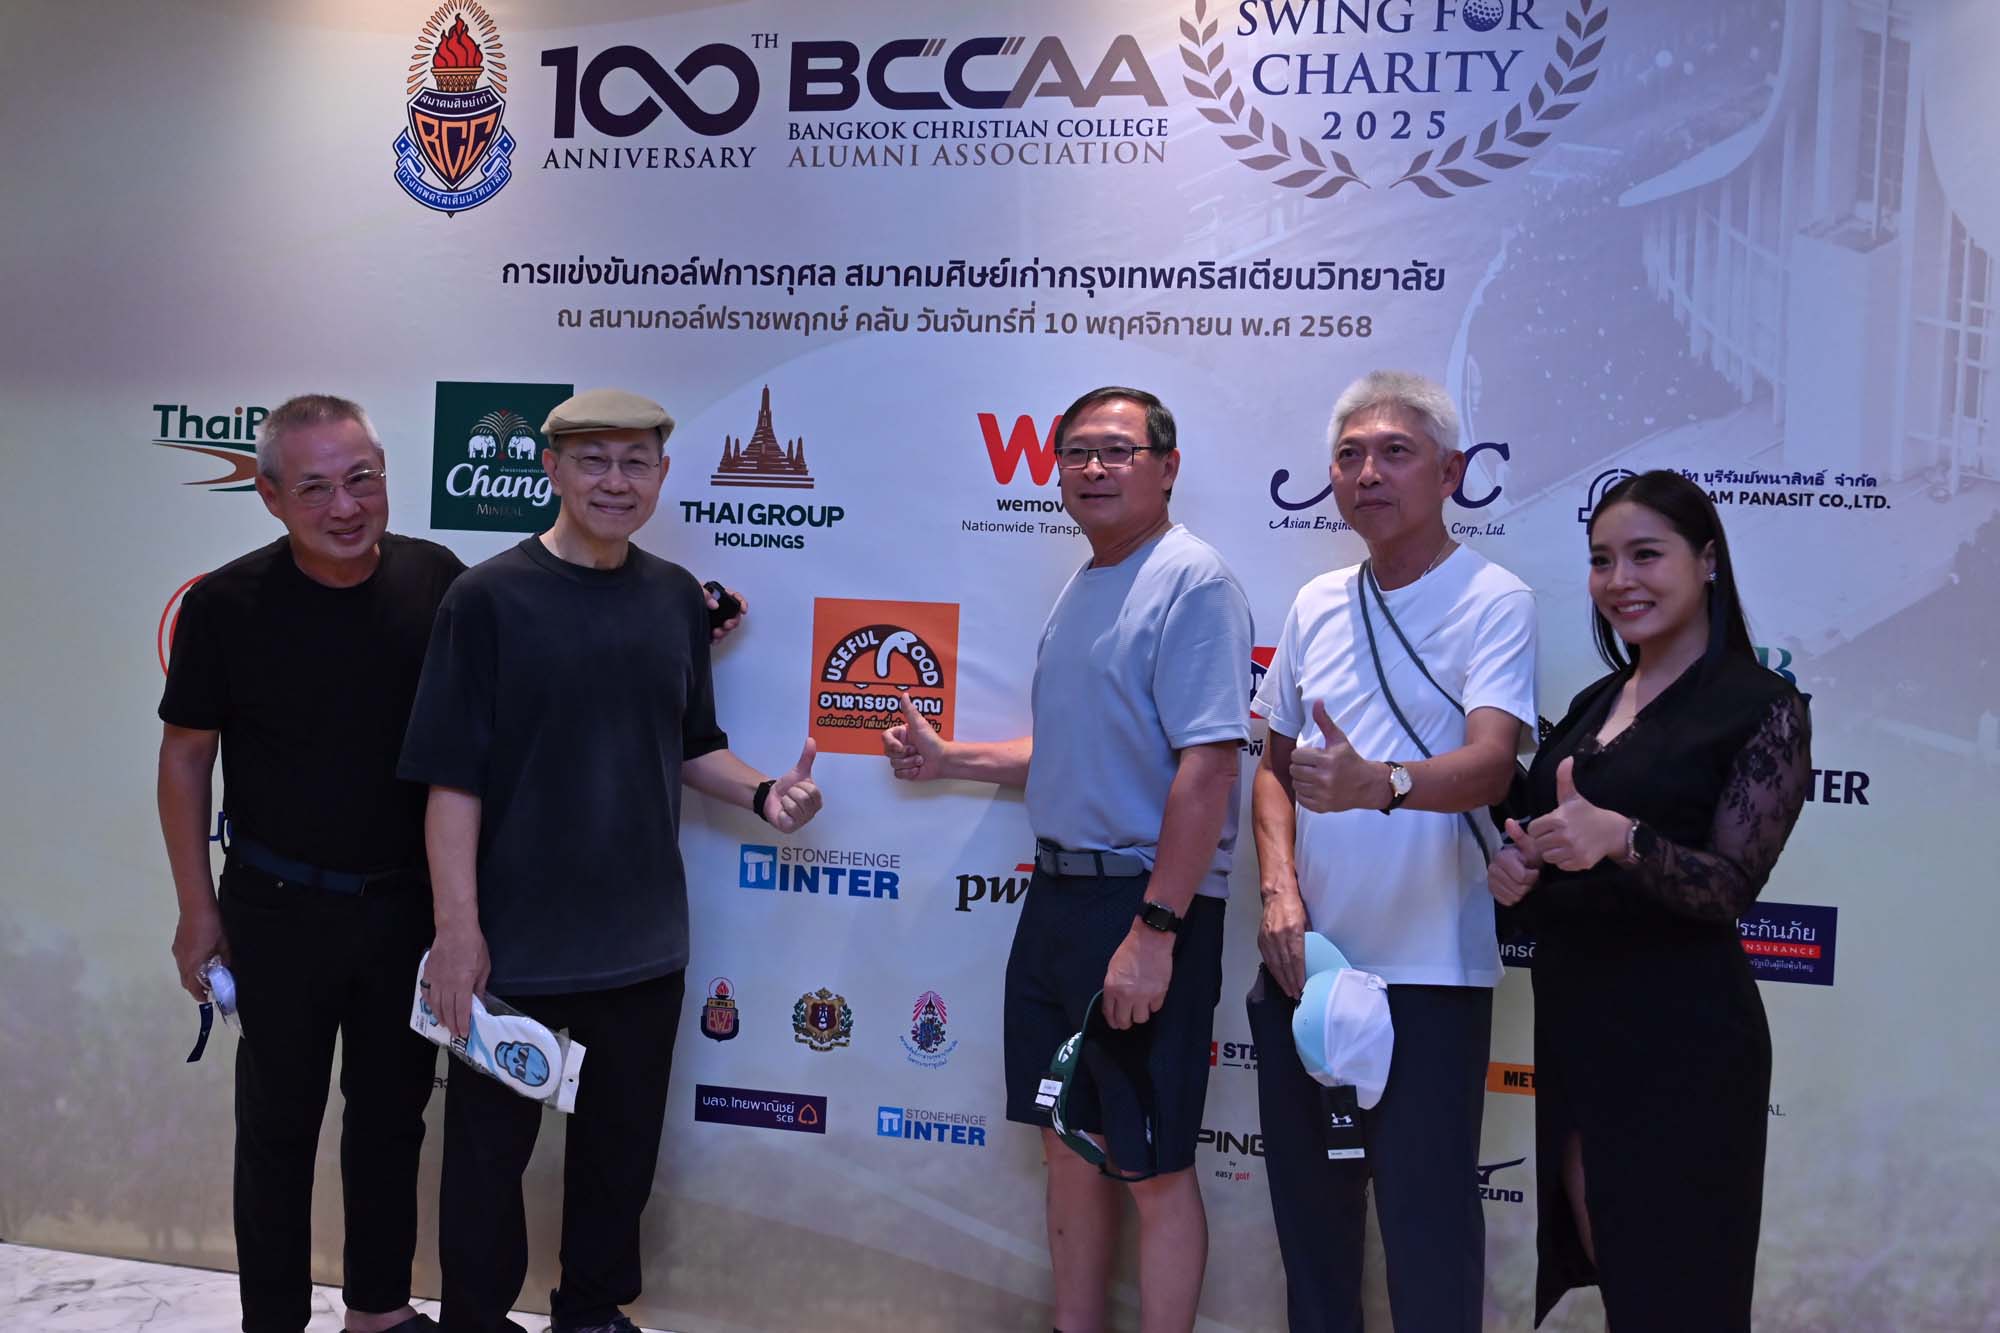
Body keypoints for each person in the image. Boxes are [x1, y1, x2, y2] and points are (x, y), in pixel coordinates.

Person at [399, 388, 819, 1333]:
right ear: (551, 469)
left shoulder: (672, 596)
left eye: (636, 462)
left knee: (618, 1157)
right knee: (486, 1161)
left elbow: (691, 743)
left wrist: (764, 794)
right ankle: (475, 1319)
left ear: (662, 476)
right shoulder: (486, 598)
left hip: (641, 942)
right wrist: (458, 931)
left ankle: (589, 1312)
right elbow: (451, 780)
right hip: (512, 949)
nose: (616, 481)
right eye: (594, 460)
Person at [882, 386, 1251, 1333]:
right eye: (1078, 451)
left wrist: (1155, 931)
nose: (1094, 467)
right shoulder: (1088, 580)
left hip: (1143, 905)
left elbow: (1209, 768)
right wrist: (953, 759)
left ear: (1168, 467)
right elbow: (1078, 750)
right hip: (1056, 901)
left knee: (1152, 1163)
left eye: (1118, 450)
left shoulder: (1192, 580)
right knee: (1069, 1142)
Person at [158, 394, 461, 1333]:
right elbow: (185, 758)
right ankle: (275, 1319)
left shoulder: (438, 580)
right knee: (278, 1128)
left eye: (362, 479)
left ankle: (377, 1310)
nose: (346, 506)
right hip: (276, 906)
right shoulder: (225, 604)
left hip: (405, 908)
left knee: (392, 1119)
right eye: (316, 487)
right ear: (270, 496)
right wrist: (196, 909)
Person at [1248, 370, 1539, 1332]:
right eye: (1350, 455)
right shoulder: (1315, 602)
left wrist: (1383, 783)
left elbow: (1492, 763)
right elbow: (1270, 767)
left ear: (1451, 472)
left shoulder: (1495, 599)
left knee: (1429, 1239)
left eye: (1395, 453)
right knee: (1313, 1241)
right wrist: (1280, 890)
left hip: (1429, 974)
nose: (1368, 473)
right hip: (1306, 967)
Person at [1488, 469, 1810, 1331]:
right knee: (1623, 1281)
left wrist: (1624, 837)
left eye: (1645, 555)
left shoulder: (1762, 706)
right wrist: (1521, 876)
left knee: (1681, 1294)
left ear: (1707, 560)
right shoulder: (1594, 703)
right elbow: (1558, 863)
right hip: (1579, 1029)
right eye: (1602, 559)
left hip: (1684, 1041)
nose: (1619, 579)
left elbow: (1729, 887)